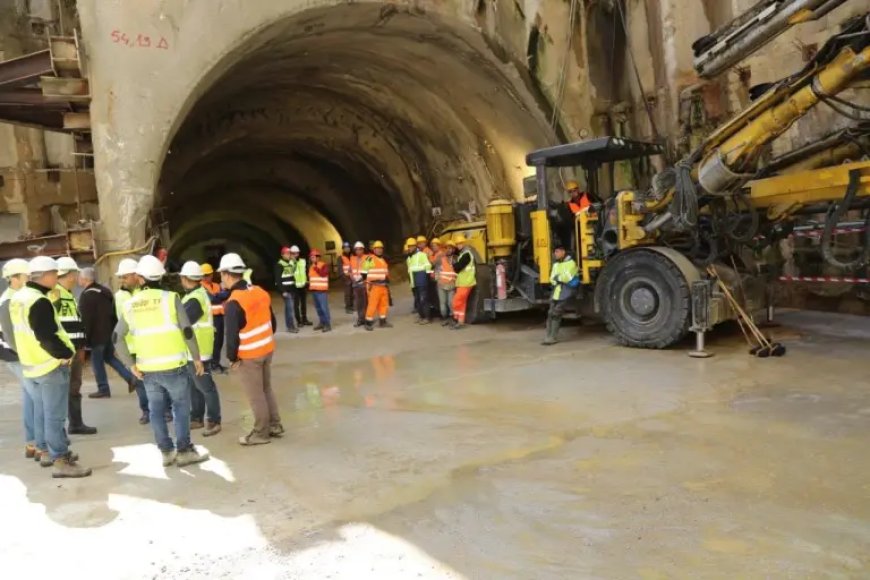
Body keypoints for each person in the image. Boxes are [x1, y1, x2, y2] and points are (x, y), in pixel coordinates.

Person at [113, 255, 210, 467]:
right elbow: (186, 330)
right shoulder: (171, 298)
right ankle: (184, 450)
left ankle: (166, 451)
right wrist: (196, 357)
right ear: (161, 276)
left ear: (140, 278)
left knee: (156, 410)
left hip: (147, 369)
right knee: (180, 407)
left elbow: (116, 337)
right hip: (174, 366)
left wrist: (130, 365)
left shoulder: (130, 304)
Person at [11, 256, 91, 477]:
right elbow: (46, 336)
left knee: (44, 413)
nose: (57, 278)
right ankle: (60, 460)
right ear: (46, 276)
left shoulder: (19, 298)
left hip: (31, 366)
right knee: (55, 416)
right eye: (55, 274)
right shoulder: (39, 301)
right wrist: (65, 354)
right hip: (49, 366)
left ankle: (48, 451)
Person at [219, 252, 283, 445]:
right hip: (266, 349)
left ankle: (260, 433)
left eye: (221, 274)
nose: (221, 278)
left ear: (229, 275)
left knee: (255, 396)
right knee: (266, 389)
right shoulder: (259, 291)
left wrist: (232, 358)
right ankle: (275, 425)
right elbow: (273, 322)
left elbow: (231, 336)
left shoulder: (233, 302)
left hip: (249, 355)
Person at [79, 267, 141, 400]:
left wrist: (84, 339)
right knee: (110, 357)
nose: (79, 280)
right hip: (110, 332)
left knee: (97, 362)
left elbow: (86, 320)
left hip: (96, 336)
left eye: (80, 277)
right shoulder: (105, 291)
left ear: (85, 279)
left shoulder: (86, 295)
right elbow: (113, 313)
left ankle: (103, 389)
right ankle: (130, 378)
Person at [51, 256, 97, 435]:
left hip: (74, 350)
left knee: (74, 388)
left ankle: (76, 423)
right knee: (63, 390)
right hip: (65, 352)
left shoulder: (68, 294)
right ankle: (60, 429)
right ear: (69, 275)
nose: (77, 278)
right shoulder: (55, 294)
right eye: (75, 274)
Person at [179, 261, 222, 436]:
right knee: (194, 386)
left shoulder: (195, 299)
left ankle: (213, 420)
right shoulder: (196, 294)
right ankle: (196, 418)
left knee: (205, 387)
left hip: (198, 350)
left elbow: (183, 323)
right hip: (195, 349)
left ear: (184, 278)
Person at [0, 258, 35, 458]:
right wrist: (25, 354)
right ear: (14, 278)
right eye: (26, 276)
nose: (29, 279)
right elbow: (9, 334)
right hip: (16, 356)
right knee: (34, 398)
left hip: (19, 354)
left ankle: (33, 442)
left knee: (32, 397)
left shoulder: (17, 296)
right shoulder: (8, 300)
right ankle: (34, 442)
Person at [542, 245, 579, 345]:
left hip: (565, 292)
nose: (556, 254)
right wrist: (559, 278)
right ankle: (548, 337)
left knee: (556, 313)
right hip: (556, 292)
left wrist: (558, 278)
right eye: (555, 252)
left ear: (563, 252)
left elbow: (567, 277)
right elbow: (552, 278)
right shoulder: (556, 265)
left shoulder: (571, 263)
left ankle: (552, 337)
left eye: (557, 252)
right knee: (550, 313)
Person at [200, 263, 229, 371]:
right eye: (204, 275)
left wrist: (221, 295)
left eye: (208, 274)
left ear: (212, 274)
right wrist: (223, 293)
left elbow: (225, 295)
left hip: (220, 316)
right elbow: (212, 299)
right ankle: (213, 365)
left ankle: (216, 363)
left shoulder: (216, 285)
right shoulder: (201, 287)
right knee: (214, 342)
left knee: (220, 341)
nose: (206, 277)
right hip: (210, 318)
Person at [362, 241, 392, 331]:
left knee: (384, 304)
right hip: (374, 286)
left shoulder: (383, 260)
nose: (379, 250)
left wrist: (387, 280)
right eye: (377, 248)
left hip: (383, 285)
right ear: (374, 249)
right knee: (372, 304)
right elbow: (364, 272)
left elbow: (385, 273)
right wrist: (368, 282)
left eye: (381, 249)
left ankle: (382, 321)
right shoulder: (370, 258)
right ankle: (368, 322)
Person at [451, 235, 476, 330]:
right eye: (457, 244)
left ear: (464, 243)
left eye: (460, 243)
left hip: (466, 283)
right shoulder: (463, 254)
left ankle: (455, 318)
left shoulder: (466, 254)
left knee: (456, 301)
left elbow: (458, 267)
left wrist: (453, 265)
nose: (458, 245)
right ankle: (460, 321)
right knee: (462, 303)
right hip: (463, 283)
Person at [409, 236, 433, 324]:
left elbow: (428, 265)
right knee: (418, 300)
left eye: (412, 246)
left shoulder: (422, 255)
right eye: (409, 246)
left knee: (424, 299)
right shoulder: (411, 257)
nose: (410, 248)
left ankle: (427, 317)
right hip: (414, 282)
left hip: (422, 280)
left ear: (416, 246)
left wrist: (428, 278)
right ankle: (421, 316)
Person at [274, 246, 298, 333]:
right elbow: (278, 279)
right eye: (287, 254)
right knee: (290, 309)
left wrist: (294, 260)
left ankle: (290, 325)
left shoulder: (290, 263)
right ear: (282, 255)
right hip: (286, 291)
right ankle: (290, 327)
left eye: (290, 253)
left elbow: (294, 270)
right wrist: (283, 291)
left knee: (289, 308)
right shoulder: (279, 265)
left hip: (292, 289)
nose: (289, 255)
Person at [308, 249, 332, 332]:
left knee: (324, 308)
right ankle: (322, 323)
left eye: (314, 257)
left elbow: (323, 274)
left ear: (318, 257)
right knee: (318, 308)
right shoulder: (311, 266)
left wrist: (316, 268)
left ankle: (327, 324)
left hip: (321, 291)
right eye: (311, 257)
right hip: (314, 290)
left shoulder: (323, 265)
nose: (312, 258)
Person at [434, 240, 457, 325]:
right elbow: (436, 270)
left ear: (453, 249)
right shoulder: (441, 259)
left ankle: (452, 318)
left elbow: (458, 271)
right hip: (441, 285)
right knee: (443, 305)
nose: (448, 250)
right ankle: (445, 318)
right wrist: (437, 281)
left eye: (450, 248)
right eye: (447, 248)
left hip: (451, 285)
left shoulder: (455, 259)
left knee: (451, 303)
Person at [289, 245, 312, 327]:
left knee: (303, 304)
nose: (295, 255)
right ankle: (299, 321)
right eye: (293, 253)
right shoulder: (289, 263)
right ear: (290, 254)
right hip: (294, 287)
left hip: (303, 286)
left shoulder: (303, 261)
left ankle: (304, 319)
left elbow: (306, 272)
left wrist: (307, 282)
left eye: (296, 253)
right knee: (296, 305)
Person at [349, 241, 368, 327]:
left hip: (364, 284)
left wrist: (362, 279)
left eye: (360, 249)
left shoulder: (367, 258)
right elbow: (350, 271)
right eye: (357, 250)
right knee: (358, 304)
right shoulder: (352, 259)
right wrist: (352, 278)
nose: (358, 251)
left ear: (363, 250)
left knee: (365, 303)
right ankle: (360, 319)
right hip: (355, 285)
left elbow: (369, 271)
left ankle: (367, 319)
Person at [404, 237, 418, 314]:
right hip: (411, 277)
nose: (407, 251)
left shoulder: (416, 255)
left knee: (417, 292)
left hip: (416, 276)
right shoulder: (408, 257)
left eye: (407, 249)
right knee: (414, 292)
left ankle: (417, 307)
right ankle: (416, 306)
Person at [340, 241, 353, 314]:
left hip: (353, 277)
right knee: (347, 293)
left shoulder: (352, 256)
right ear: (343, 249)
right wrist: (344, 277)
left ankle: (352, 305)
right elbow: (340, 270)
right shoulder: (341, 258)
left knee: (353, 293)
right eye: (345, 248)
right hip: (346, 278)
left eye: (348, 247)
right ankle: (348, 307)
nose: (347, 249)